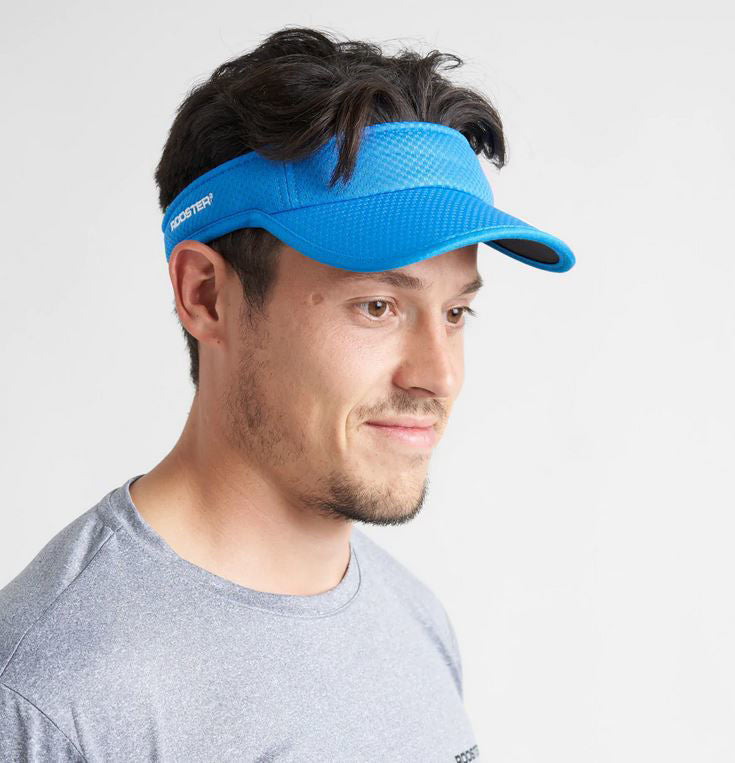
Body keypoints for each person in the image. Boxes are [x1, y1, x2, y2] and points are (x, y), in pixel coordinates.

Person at [0, 25, 574, 761]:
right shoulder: (50, 697)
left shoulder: (415, 620)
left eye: (456, 312)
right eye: (378, 306)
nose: (439, 375)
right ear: (206, 295)